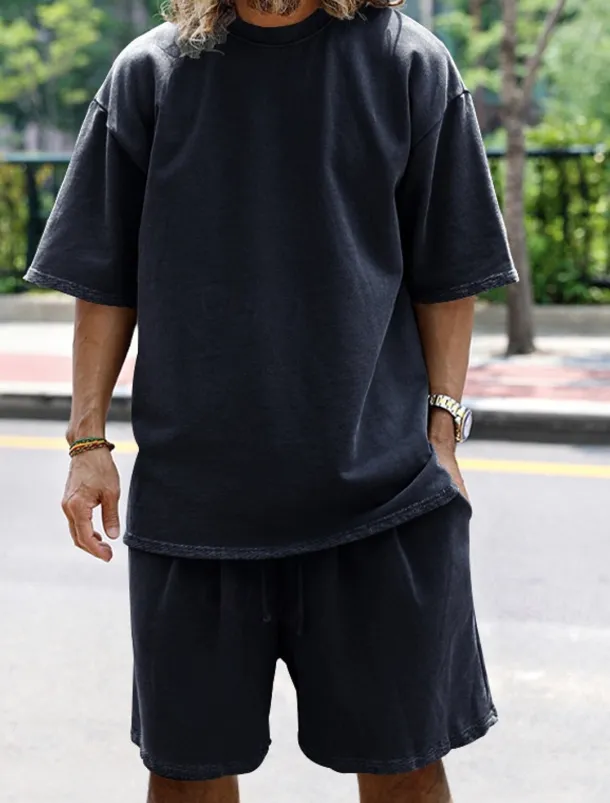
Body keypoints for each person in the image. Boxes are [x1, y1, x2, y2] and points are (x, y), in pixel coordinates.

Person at [25, 0, 518, 799]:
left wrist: (442, 433)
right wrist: (88, 445)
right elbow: (104, 279)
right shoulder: (150, 74)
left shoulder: (408, 62)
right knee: (185, 779)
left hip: (383, 503)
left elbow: (449, 268)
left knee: (406, 771)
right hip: (195, 514)